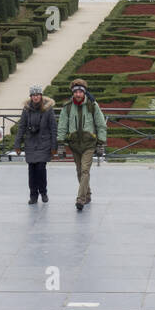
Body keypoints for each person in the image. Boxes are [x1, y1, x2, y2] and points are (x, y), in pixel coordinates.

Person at [57, 79, 107, 211]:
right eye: (76, 92)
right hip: (74, 145)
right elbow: (62, 126)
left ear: (84, 92)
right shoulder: (67, 107)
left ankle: (80, 199)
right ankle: (88, 194)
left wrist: (101, 143)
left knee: (85, 170)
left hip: (89, 144)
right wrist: (61, 144)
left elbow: (101, 124)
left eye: (80, 91)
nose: (78, 94)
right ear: (72, 93)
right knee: (79, 171)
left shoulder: (92, 105)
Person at [15, 85, 57, 204]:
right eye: (33, 95)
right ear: (31, 97)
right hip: (31, 143)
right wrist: (17, 144)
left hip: (44, 143)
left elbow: (53, 128)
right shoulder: (26, 109)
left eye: (38, 95)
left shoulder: (48, 109)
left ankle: (43, 192)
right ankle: (33, 195)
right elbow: (22, 127)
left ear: (41, 96)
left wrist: (54, 146)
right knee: (32, 170)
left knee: (41, 168)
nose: (36, 97)